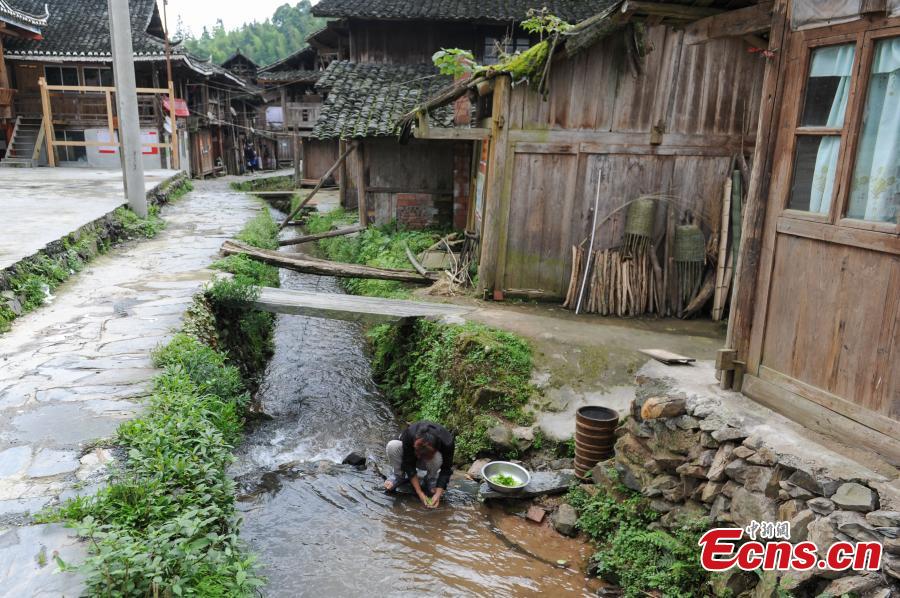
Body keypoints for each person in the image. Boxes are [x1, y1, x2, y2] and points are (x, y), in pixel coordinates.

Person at [384, 421, 455, 509]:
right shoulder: (410, 433)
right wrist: (420, 492)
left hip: (431, 462)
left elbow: (446, 469)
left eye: (422, 455)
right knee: (393, 445)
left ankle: (431, 478)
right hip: (408, 455)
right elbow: (408, 464)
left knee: (438, 457)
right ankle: (398, 475)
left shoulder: (447, 442)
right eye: (417, 452)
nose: (418, 456)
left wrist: (438, 494)